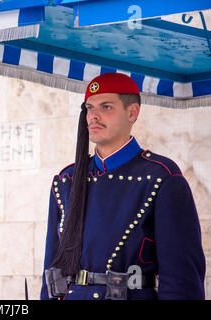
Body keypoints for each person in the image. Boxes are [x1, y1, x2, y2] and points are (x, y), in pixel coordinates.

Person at [40, 72, 206, 300]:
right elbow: (51, 268)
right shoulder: (67, 180)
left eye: (106, 107)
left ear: (132, 113)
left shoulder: (161, 177)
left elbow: (181, 280)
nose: (93, 116)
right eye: (89, 108)